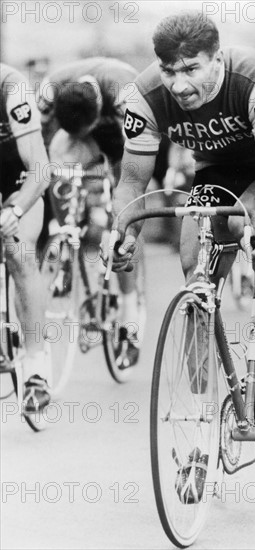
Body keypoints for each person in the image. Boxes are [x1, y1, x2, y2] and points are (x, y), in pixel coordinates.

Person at [108, 12, 255, 500]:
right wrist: (123, 232)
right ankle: (201, 432)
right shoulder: (144, 97)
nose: (179, 85)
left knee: (248, 230)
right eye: (169, 70)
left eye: (192, 69)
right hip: (219, 167)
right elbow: (133, 183)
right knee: (194, 272)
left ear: (218, 59)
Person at [37, 57, 142, 367]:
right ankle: (68, 232)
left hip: (120, 137)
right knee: (56, 162)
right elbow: (37, 141)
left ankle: (130, 323)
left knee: (125, 215)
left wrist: (121, 191)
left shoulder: (124, 90)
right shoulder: (49, 90)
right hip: (72, 134)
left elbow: (141, 149)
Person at [0, 63, 51, 412]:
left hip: (18, 178)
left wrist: (15, 212)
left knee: (19, 252)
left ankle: (36, 368)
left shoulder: (12, 87)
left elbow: (41, 171)